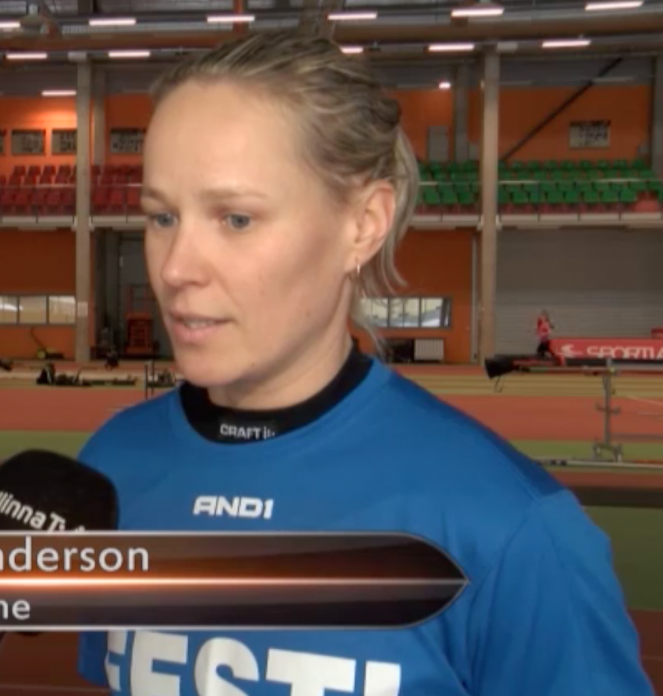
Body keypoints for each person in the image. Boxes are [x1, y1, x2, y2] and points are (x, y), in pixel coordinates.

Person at [75, 31, 651, 696]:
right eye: (160, 217)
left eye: (234, 219)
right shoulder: (109, 467)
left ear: (363, 223)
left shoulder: (510, 527)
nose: (174, 269)